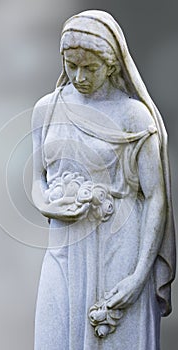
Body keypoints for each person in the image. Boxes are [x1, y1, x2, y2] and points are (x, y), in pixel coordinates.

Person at [31, 10, 176, 350]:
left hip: (118, 247)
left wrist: (139, 277)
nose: (79, 76)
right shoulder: (46, 109)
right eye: (71, 65)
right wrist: (48, 205)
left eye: (90, 68)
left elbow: (156, 196)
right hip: (64, 245)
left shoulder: (133, 115)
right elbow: (37, 178)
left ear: (111, 65)